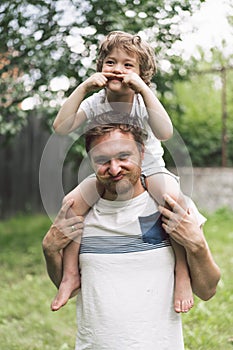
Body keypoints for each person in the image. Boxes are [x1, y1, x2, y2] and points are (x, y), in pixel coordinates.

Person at [42, 113, 220, 349]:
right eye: (102, 160)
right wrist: (50, 251)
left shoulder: (169, 207)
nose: (114, 168)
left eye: (124, 156)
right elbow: (68, 286)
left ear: (142, 154)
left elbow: (207, 290)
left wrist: (197, 244)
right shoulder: (79, 213)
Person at [51, 31, 195, 312]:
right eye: (111, 62)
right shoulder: (96, 103)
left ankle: (182, 271)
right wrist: (83, 88)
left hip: (149, 167)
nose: (118, 69)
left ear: (142, 74)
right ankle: (70, 274)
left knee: (174, 202)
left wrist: (144, 89)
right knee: (71, 205)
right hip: (108, 170)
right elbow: (61, 127)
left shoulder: (143, 102)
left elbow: (165, 133)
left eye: (128, 65)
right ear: (101, 67)